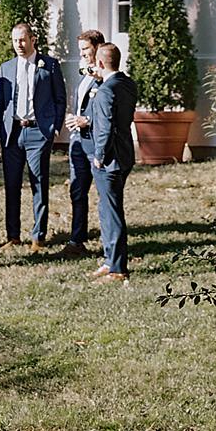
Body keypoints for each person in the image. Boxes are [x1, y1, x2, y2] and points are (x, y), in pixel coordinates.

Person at [0, 22, 66, 251]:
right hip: (12, 133)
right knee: (11, 185)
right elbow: (1, 105)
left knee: (38, 184)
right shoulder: (6, 68)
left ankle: (38, 236)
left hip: (38, 133)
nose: (18, 45)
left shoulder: (48, 65)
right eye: (14, 41)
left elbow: (60, 98)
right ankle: (13, 236)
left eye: (22, 40)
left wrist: (54, 128)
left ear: (33, 39)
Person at [90, 41, 138, 283]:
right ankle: (109, 260)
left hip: (110, 159)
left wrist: (99, 156)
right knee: (106, 208)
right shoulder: (127, 84)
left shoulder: (107, 90)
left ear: (99, 63)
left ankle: (118, 268)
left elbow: (106, 127)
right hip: (125, 153)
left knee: (112, 212)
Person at [61, 28, 104, 259]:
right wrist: (73, 118)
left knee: (103, 194)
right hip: (77, 142)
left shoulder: (106, 76)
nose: (83, 54)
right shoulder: (85, 74)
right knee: (77, 191)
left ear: (97, 48)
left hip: (95, 144)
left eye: (86, 49)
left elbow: (108, 112)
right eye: (81, 50)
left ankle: (109, 242)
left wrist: (86, 120)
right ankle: (77, 240)